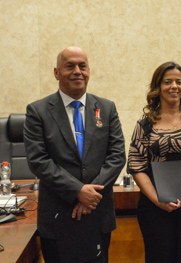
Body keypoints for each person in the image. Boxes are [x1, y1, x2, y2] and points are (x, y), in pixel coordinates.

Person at [24, 46, 126, 263]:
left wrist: (90, 195)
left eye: (83, 66)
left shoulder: (106, 108)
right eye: (69, 66)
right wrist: (77, 190)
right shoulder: (38, 111)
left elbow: (117, 155)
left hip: (97, 213)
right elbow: (38, 161)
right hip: (59, 215)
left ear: (89, 70)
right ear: (56, 72)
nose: (77, 71)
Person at [127, 61, 181, 263]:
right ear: (158, 87)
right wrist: (158, 200)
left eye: (179, 82)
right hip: (156, 206)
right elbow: (136, 165)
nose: (174, 86)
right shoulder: (146, 123)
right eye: (168, 82)